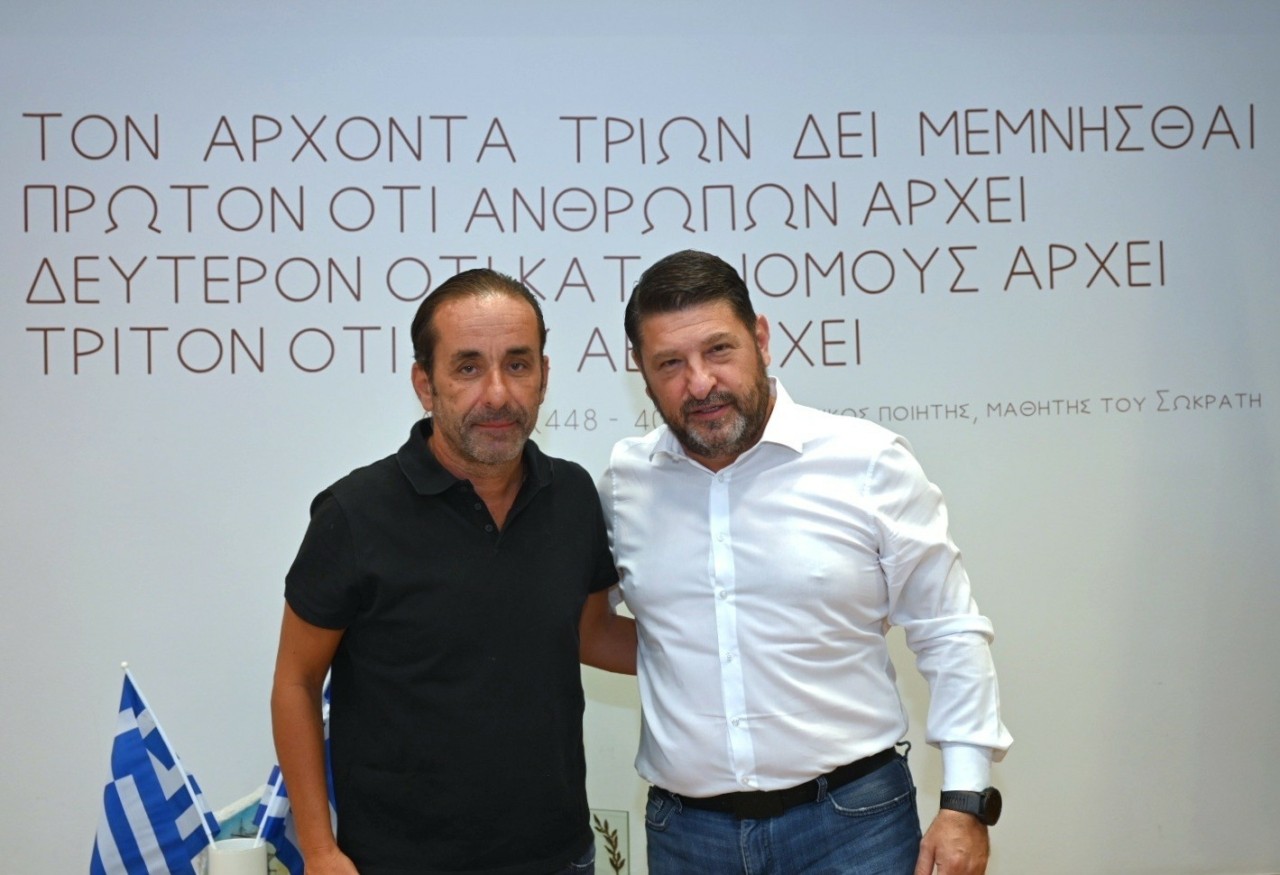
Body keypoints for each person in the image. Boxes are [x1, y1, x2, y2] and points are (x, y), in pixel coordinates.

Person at [599, 250, 1012, 875]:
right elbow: (585, 623)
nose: (700, 383)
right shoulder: (625, 484)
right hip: (687, 836)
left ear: (761, 338)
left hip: (854, 826)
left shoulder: (867, 461)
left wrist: (964, 801)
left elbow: (948, 629)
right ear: (642, 370)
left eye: (718, 350)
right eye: (670, 363)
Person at [271, 268, 636, 875]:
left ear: (544, 376)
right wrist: (318, 850)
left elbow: (591, 633)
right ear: (426, 384)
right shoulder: (354, 514)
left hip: (558, 857)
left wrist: (736, 649)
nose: (497, 393)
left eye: (517, 364)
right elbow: (296, 682)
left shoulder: (572, 495)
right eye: (468, 367)